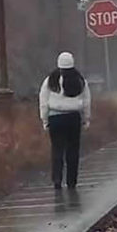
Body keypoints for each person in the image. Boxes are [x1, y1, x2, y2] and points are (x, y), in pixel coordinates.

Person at [39, 52, 91, 190]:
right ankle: (71, 181)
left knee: (57, 149)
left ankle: (57, 179)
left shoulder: (50, 80)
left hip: (55, 118)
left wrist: (44, 119)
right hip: (73, 118)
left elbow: (43, 101)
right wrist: (86, 119)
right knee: (73, 150)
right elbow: (86, 101)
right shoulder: (80, 80)